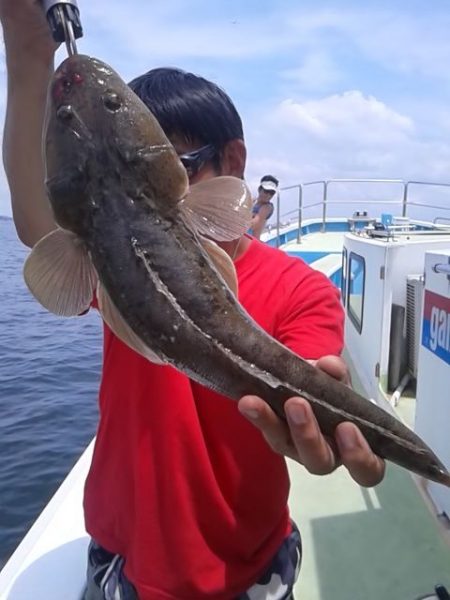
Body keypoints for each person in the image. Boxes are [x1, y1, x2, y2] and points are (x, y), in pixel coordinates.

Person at [0, 2, 385, 599]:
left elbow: (312, 377)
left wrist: (319, 408)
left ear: (231, 163)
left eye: (172, 165)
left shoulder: (302, 289)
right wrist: (28, 54)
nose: (125, 202)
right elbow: (35, 226)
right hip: (119, 556)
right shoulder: (113, 269)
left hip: (241, 568)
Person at [250, 175, 279, 239]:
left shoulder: (268, 207)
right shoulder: (252, 201)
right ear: (259, 189)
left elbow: (253, 225)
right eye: (266, 191)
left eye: (272, 193)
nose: (268, 195)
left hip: (251, 242)